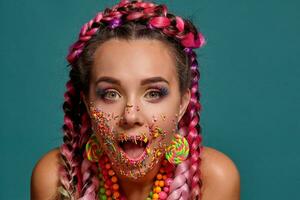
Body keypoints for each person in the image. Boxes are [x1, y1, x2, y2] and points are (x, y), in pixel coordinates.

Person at [31, 0, 240, 199]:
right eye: (110, 94)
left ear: (183, 102)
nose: (130, 115)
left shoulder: (213, 179)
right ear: (87, 101)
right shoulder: (55, 178)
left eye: (154, 93)